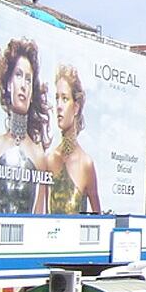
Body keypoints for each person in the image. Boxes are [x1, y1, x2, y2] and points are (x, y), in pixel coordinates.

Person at [0, 38, 51, 214]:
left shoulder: (38, 154)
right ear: (8, 84)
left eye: (28, 79)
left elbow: (39, 214)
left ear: (32, 92)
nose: (23, 85)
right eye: (19, 75)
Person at [46, 65, 100, 213]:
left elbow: (98, 217)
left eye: (64, 99)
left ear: (76, 108)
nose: (58, 106)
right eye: (57, 98)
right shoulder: (50, 159)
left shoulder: (86, 164)